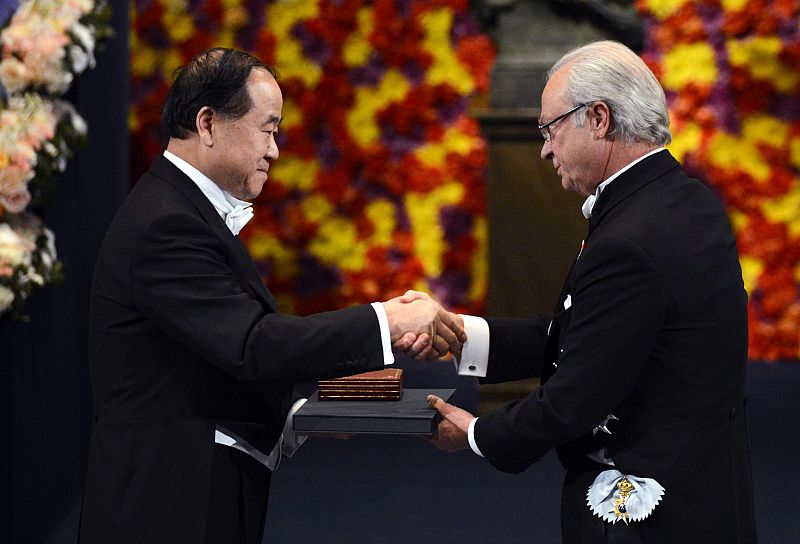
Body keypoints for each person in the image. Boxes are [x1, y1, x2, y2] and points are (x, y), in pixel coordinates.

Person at [78, 48, 464, 544]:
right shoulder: (166, 223)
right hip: (167, 502)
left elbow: (207, 359)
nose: (275, 150)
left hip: (191, 487)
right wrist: (386, 321)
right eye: (268, 129)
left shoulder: (178, 207)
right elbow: (251, 345)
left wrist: (303, 412)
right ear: (208, 123)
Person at [419, 41, 756, 543]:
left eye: (551, 129)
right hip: (705, 494)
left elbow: (575, 398)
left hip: (648, 517)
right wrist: (464, 336)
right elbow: (601, 334)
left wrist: (474, 434)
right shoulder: (685, 200)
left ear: (599, 119)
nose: (545, 149)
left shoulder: (630, 238)